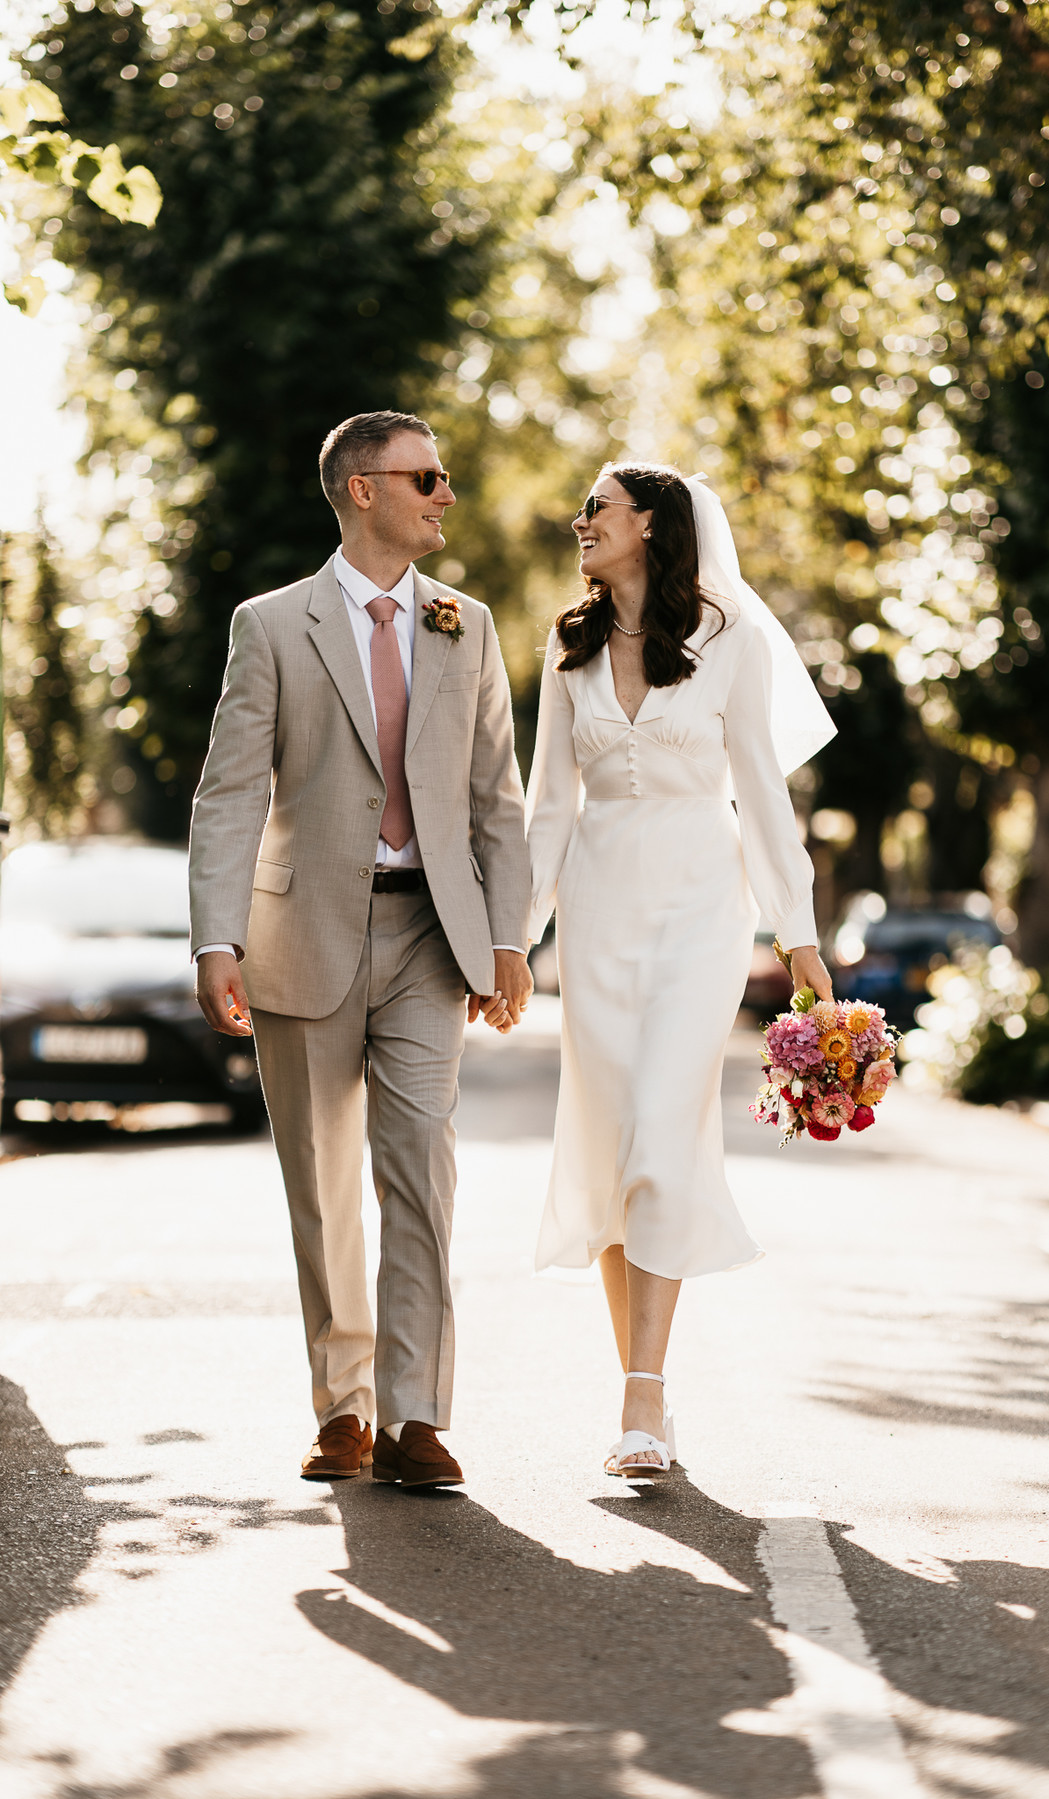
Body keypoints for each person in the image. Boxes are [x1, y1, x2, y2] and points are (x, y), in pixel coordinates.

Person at [189, 409, 533, 1488]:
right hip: (304, 932)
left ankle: (415, 1414)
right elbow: (233, 788)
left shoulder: (463, 624)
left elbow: (496, 799)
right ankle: (341, 1407)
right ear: (361, 489)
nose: (446, 493)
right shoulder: (272, 624)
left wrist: (512, 935)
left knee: (421, 1172)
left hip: (434, 935)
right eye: (427, 476)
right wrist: (217, 934)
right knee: (324, 1183)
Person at [525, 462, 835, 1476]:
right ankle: (644, 1401)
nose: (582, 523)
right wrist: (513, 940)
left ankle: (643, 1398)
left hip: (702, 909)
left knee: (663, 1126)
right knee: (616, 1146)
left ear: (649, 525)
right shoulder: (567, 649)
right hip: (598, 909)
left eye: (598, 509)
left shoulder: (729, 640)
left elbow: (762, 794)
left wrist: (798, 935)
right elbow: (547, 810)